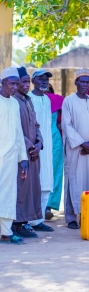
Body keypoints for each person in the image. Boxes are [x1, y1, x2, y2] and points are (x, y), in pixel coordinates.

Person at [62, 68, 89, 229]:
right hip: (76, 149)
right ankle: (71, 217)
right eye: (82, 81)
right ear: (76, 83)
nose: (85, 85)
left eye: (87, 82)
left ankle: (88, 214)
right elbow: (67, 126)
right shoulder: (69, 101)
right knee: (74, 180)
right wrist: (82, 144)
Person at [11, 67, 43, 238]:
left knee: (32, 189)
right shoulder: (12, 101)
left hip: (33, 153)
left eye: (27, 81)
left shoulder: (28, 100)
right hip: (20, 154)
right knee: (20, 188)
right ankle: (16, 223)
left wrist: (39, 143)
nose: (25, 85)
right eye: (22, 81)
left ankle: (24, 222)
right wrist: (30, 145)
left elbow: (36, 125)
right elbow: (15, 130)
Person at [0, 67, 28, 245]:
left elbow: (19, 133)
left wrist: (23, 158)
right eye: (12, 83)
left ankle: (6, 232)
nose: (15, 87)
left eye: (17, 84)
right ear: (2, 83)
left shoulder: (15, 104)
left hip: (10, 159)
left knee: (8, 194)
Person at [28, 69, 54, 232]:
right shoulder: (27, 99)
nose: (45, 82)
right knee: (33, 184)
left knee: (46, 183)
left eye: (46, 79)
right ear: (33, 80)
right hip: (34, 146)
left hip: (48, 146)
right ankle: (29, 220)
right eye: (41, 79)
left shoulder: (47, 99)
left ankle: (39, 220)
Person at [45, 83, 64, 219]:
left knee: (55, 171)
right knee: (40, 172)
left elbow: (63, 121)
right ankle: (39, 205)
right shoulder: (30, 100)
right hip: (39, 139)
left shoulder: (59, 100)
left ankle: (48, 206)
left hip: (55, 139)